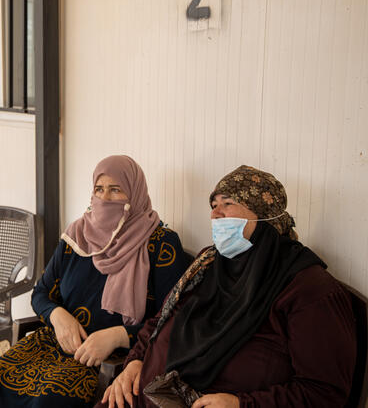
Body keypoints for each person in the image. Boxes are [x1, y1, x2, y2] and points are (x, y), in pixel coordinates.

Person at [101, 165, 357, 408]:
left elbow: (325, 392)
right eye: (213, 205)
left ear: (263, 212)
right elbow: (160, 321)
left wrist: (241, 404)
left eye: (227, 204)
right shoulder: (210, 264)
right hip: (142, 393)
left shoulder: (308, 290)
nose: (215, 214)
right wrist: (136, 360)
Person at [0, 155, 190, 408]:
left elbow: (173, 321)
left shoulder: (160, 244)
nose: (105, 198)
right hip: (57, 343)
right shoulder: (78, 236)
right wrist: (58, 316)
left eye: (115, 190)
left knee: (49, 401)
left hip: (112, 358)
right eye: (99, 189)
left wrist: (117, 336)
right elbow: (41, 293)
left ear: (135, 193)